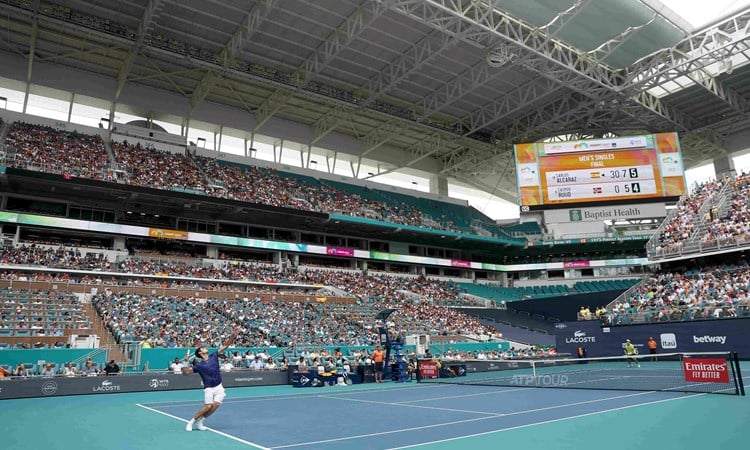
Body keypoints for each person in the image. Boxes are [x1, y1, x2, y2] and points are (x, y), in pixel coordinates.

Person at [182, 327, 238, 432]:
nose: (205, 348)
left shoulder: (214, 356)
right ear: (200, 352)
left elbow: (225, 345)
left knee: (215, 405)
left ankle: (200, 421)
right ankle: (191, 422)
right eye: (202, 348)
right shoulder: (199, 365)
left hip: (219, 386)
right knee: (208, 406)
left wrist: (232, 336)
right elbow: (185, 373)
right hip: (209, 388)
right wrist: (185, 362)